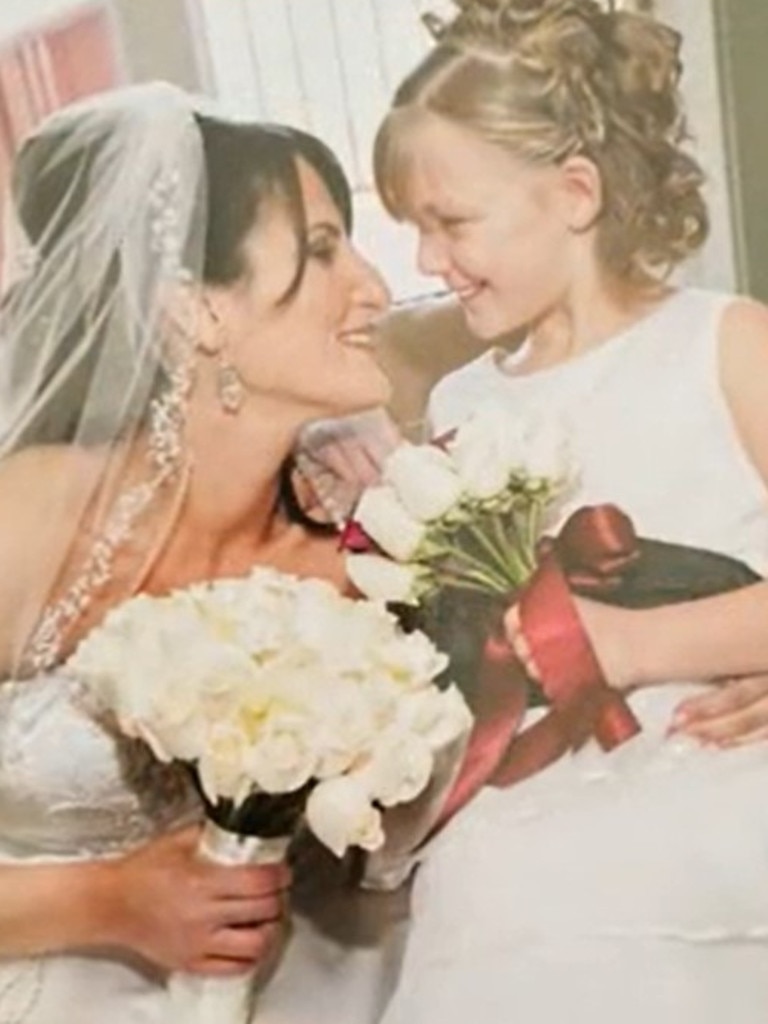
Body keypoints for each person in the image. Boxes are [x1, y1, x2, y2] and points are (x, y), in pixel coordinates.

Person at [357, 1, 768, 1021]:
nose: (427, 262)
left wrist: (631, 642)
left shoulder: (726, 346)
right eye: (414, 229)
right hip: (520, 832)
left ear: (575, 193)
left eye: (451, 223)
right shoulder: (457, 404)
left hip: (713, 790)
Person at [0, 81, 417, 1023]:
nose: (375, 288)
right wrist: (104, 899)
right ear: (198, 315)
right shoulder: (32, 519)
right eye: (320, 251)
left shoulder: (360, 559)